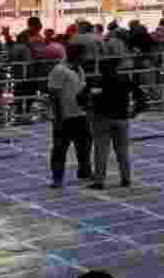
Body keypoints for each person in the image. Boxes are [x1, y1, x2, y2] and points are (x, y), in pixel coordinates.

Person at [87, 58, 147, 190]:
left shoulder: (97, 82)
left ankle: (99, 181)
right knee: (123, 151)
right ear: (116, 68)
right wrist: (136, 110)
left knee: (101, 151)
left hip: (101, 119)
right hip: (121, 119)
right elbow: (141, 95)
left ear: (101, 70)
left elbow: (81, 97)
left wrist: (88, 108)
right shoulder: (124, 80)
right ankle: (126, 179)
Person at [46, 43, 92, 188]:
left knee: (84, 146)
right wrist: (59, 117)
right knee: (60, 149)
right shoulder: (59, 70)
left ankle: (84, 172)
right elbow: (54, 95)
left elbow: (82, 90)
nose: (86, 57)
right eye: (84, 54)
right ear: (76, 55)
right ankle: (57, 178)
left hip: (81, 115)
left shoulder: (79, 69)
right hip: (64, 117)